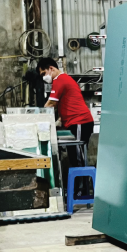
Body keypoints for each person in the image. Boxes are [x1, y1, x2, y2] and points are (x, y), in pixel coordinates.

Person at [39, 57, 95, 198]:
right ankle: (78, 189)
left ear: (51, 68)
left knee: (78, 157)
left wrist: (38, 117)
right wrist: (59, 121)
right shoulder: (63, 80)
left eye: (43, 73)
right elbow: (66, 102)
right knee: (74, 157)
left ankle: (82, 190)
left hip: (80, 122)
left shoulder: (60, 80)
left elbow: (51, 103)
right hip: (74, 123)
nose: (44, 77)